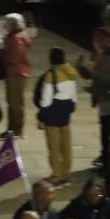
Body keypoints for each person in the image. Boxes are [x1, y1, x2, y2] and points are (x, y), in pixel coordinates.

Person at [77, 28, 110, 169]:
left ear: (107, 40)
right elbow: (92, 75)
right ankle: (107, 165)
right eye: (95, 39)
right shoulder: (97, 54)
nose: (97, 42)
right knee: (105, 137)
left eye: (100, 39)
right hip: (105, 103)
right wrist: (81, 68)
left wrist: (94, 71)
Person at [34, 49, 80, 184]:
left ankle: (56, 174)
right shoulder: (71, 72)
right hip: (66, 111)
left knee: (54, 146)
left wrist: (41, 117)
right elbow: (74, 95)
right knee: (66, 144)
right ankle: (66, 172)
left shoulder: (51, 75)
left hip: (53, 113)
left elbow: (46, 100)